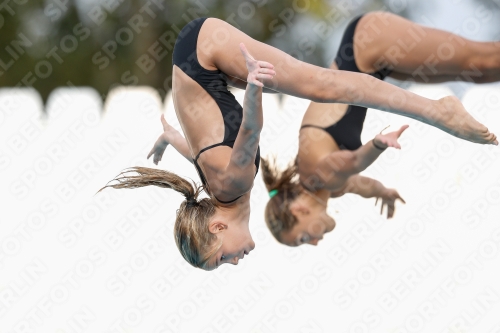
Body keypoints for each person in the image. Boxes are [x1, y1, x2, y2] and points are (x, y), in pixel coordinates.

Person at [100, 15, 497, 270]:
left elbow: (248, 134)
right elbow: (202, 150)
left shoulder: (231, 186)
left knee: (318, 84)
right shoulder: (221, 187)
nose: (235, 261)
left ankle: (437, 111)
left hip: (204, 54)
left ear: (218, 227)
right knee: (484, 69)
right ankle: (436, 107)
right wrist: (172, 137)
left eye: (222, 258)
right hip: (196, 58)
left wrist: (254, 89)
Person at [262, 11, 500, 247]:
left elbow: (353, 162)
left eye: (304, 238)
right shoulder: (329, 187)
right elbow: (363, 186)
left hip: (366, 44)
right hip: (371, 60)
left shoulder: (317, 175)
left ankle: (444, 109)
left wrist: (377, 145)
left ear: (299, 209)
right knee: (480, 72)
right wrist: (383, 192)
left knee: (485, 60)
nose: (314, 243)